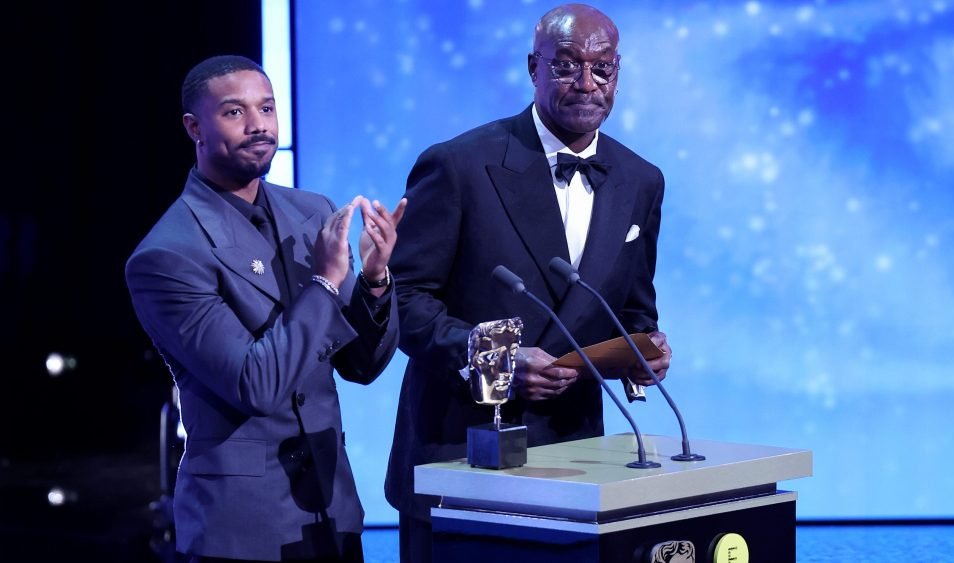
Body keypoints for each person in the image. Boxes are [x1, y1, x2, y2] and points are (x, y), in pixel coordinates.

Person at [384, 4, 672, 562]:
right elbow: (404, 299)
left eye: (602, 68)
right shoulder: (459, 165)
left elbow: (632, 307)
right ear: (533, 68)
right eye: (566, 66)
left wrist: (644, 354)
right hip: (462, 448)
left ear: (618, 73)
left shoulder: (641, 180)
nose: (586, 83)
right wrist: (498, 362)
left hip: (578, 456)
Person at [125, 54, 406, 562]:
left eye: (267, 108)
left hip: (332, 513)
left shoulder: (312, 212)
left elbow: (361, 365)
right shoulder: (168, 255)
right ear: (194, 128)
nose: (258, 125)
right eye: (235, 112)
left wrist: (375, 279)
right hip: (243, 527)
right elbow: (255, 384)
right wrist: (325, 282)